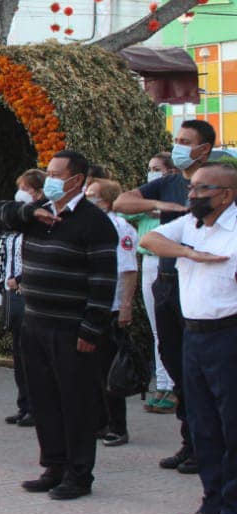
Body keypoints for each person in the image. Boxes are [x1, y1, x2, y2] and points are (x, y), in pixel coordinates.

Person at [0, 149, 117, 500]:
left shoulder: (94, 222)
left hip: (71, 327)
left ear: (76, 180)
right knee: (43, 398)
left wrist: (92, 328)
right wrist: (29, 210)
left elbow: (104, 281)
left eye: (57, 174)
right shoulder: (36, 214)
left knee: (74, 401)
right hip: (35, 321)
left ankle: (79, 474)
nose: (49, 179)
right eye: (47, 173)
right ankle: (53, 465)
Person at [114, 120, 219, 475]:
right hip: (168, 281)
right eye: (176, 140)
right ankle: (190, 442)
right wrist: (160, 204)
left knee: (202, 370)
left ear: (204, 148)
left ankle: (209, 446)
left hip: (205, 287)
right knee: (176, 363)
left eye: (185, 141)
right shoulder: (172, 182)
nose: (178, 146)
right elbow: (123, 201)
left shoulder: (217, 185)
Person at [140, 162, 237, 514]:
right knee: (203, 426)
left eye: (201, 189)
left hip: (228, 335)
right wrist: (191, 253)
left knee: (232, 428)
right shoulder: (192, 225)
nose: (192, 195)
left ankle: (232, 510)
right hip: (193, 336)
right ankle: (211, 503)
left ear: (226, 195)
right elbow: (150, 241)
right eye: (192, 188)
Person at [83, 179, 139, 447]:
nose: (86, 197)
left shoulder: (120, 228)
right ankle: (98, 421)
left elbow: (128, 270)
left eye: (92, 195)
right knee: (92, 369)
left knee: (109, 370)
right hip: (88, 305)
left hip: (111, 306)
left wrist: (126, 306)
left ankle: (118, 426)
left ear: (105, 201)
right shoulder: (89, 224)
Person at [0, 169, 46, 428]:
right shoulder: (15, 219)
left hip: (30, 292)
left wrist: (22, 279)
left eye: (26, 187)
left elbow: (41, 256)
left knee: (33, 355)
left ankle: (38, 407)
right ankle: (24, 404)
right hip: (12, 294)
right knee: (19, 354)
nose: (21, 192)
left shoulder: (41, 222)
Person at [127, 152, 180, 414]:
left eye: (157, 168)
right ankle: (162, 383)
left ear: (170, 171)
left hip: (172, 262)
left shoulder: (178, 194)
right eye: (150, 168)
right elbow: (126, 209)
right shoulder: (150, 199)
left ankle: (175, 385)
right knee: (158, 328)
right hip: (149, 262)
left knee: (173, 326)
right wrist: (153, 206)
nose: (152, 172)